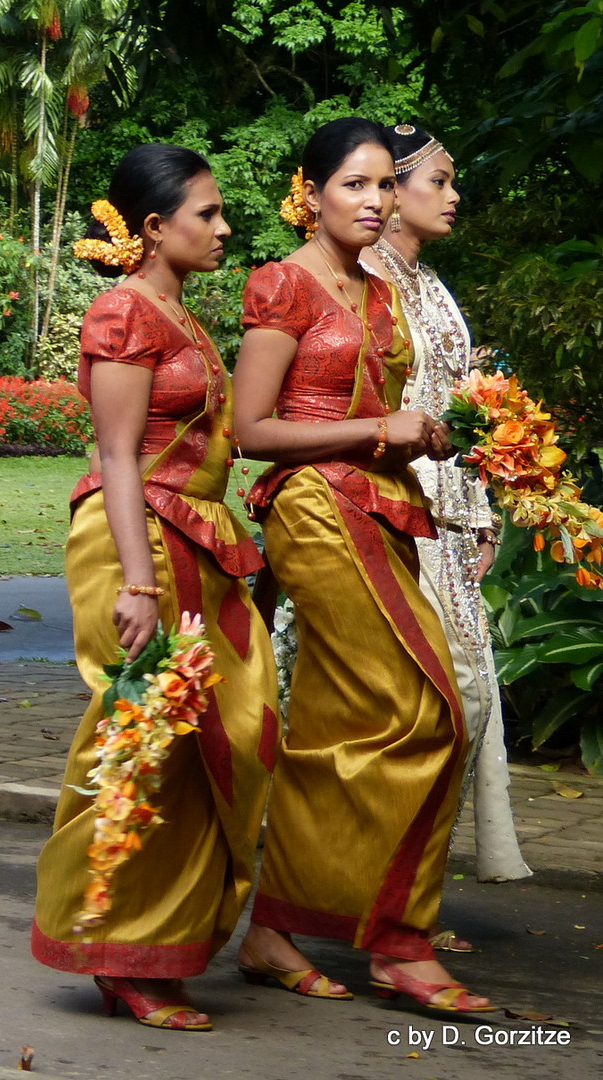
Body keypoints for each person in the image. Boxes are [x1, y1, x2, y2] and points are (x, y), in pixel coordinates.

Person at [233, 117, 493, 1013]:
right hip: (315, 508)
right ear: (310, 193)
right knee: (428, 708)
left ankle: (275, 925)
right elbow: (251, 431)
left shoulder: (377, 294)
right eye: (356, 184)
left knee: (344, 724)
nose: (376, 202)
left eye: (387, 185)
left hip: (380, 503)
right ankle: (397, 939)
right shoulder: (284, 286)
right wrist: (384, 430)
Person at [29, 146, 276, 1032]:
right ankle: (117, 948)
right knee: (147, 738)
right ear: (152, 228)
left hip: (200, 543)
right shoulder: (122, 312)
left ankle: (165, 937)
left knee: (233, 735)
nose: (223, 228)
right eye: (206, 214)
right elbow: (118, 459)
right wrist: (137, 582)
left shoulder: (177, 310)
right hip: (137, 549)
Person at [361, 124, 530, 914]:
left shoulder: (428, 283)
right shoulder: (363, 279)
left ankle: (409, 898)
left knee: (469, 704)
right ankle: (375, 897)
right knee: (428, 707)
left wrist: (484, 506)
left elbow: (466, 404)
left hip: (454, 516)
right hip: (393, 511)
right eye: (440, 181)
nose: (455, 195)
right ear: (390, 194)